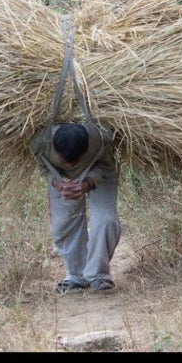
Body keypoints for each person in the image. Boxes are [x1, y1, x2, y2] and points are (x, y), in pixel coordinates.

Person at [29, 121, 121, 293]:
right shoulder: (40, 142)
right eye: (66, 160)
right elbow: (43, 167)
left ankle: (99, 275)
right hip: (60, 178)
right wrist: (57, 183)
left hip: (99, 172)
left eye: (75, 160)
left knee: (106, 219)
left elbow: (108, 166)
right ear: (55, 149)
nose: (70, 165)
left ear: (86, 149)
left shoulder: (99, 140)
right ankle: (77, 275)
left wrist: (87, 183)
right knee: (62, 223)